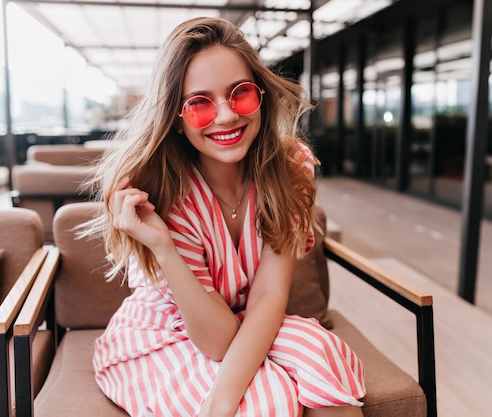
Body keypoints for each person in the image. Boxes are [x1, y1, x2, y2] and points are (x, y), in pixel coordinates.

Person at [84, 16, 366, 417]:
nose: (227, 116)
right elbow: (216, 341)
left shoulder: (291, 168)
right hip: (169, 333)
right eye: (199, 104)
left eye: (240, 93)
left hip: (250, 319)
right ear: (176, 119)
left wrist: (221, 399)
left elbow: (269, 296)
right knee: (267, 400)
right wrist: (163, 247)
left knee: (321, 354)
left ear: (261, 95)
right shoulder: (163, 196)